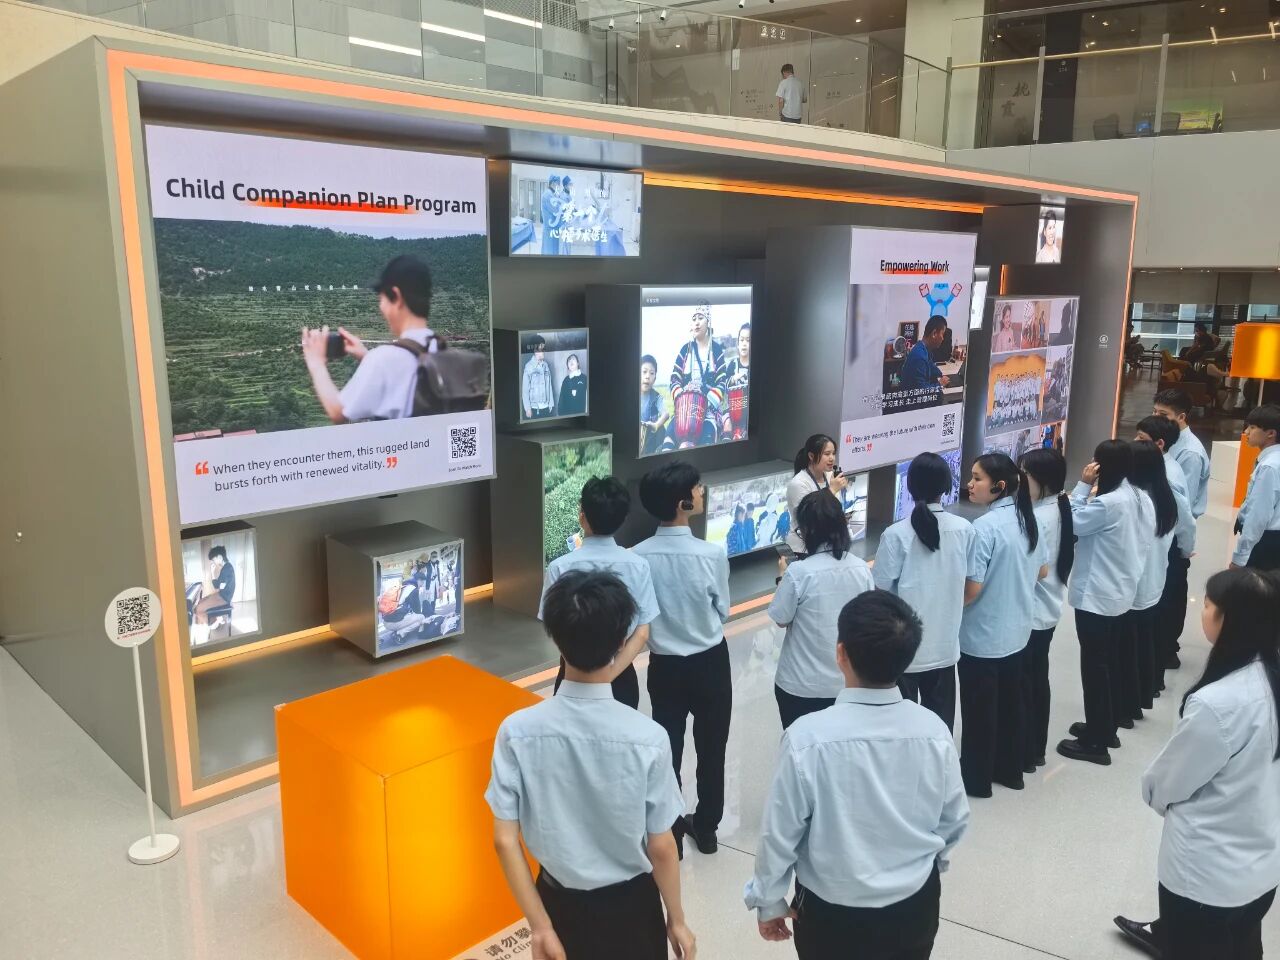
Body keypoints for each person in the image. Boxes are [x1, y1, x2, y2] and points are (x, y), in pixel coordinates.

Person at [746, 590, 969, 958]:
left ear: (841, 653)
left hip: (831, 915)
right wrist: (926, 864)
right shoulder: (934, 732)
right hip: (914, 906)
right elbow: (954, 819)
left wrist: (768, 901)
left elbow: (779, 833)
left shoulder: (806, 739)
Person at [487, 571, 696, 960]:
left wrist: (540, 926)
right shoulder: (648, 737)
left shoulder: (516, 732)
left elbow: (504, 840)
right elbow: (662, 846)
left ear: (555, 638)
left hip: (557, 903)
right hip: (632, 907)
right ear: (620, 643)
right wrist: (677, 918)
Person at [1114, 567, 1280, 960]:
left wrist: (1155, 794)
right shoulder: (1268, 679)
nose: (1201, 611)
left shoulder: (1218, 703)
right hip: (1261, 866)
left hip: (1206, 878)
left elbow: (1166, 783)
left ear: (1229, 621)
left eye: (1208, 605)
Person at [634, 462, 732, 858]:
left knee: (668, 747)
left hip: (665, 666)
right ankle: (706, 829)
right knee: (712, 749)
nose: (702, 491)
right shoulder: (711, 554)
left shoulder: (638, 556)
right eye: (697, 487)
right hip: (711, 662)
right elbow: (723, 610)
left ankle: (670, 832)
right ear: (682, 503)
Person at [958, 453, 1047, 797]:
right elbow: (1042, 571)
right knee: (1011, 705)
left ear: (998, 486)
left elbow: (972, 590)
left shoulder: (984, 528)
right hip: (1018, 631)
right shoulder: (1027, 518)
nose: (970, 484)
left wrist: (946, 608)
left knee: (980, 711)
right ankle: (1010, 771)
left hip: (982, 636)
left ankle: (977, 780)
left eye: (977, 478)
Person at [1057, 440, 1146, 766]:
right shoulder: (1138, 495)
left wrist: (1082, 486)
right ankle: (1105, 728)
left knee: (1094, 668)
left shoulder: (1107, 503)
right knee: (1106, 664)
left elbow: (1071, 522)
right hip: (1120, 592)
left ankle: (1096, 742)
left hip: (1098, 596)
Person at [873, 452, 975, 731]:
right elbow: (971, 587)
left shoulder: (896, 534)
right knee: (939, 729)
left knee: (902, 729)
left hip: (902, 648)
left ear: (910, 485)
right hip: (945, 646)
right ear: (946, 486)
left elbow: (879, 591)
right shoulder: (964, 530)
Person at [539, 477, 660, 709]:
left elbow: (554, 628)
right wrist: (608, 675)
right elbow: (642, 633)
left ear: (582, 516)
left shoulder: (559, 567)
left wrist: (580, 669)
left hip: (570, 676)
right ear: (622, 519)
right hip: (621, 676)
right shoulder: (638, 565)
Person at [769, 490, 876, 730]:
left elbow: (780, 618)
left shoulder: (799, 573)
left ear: (808, 531)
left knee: (800, 746)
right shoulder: (861, 569)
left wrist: (782, 578)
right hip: (847, 684)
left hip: (799, 685)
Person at [301, 255, 440, 423]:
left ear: (396, 297)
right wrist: (366, 357)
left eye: (382, 299)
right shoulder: (443, 351)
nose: (381, 307)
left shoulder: (383, 359)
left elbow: (339, 412)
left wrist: (316, 363)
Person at [1018, 448, 1074, 769]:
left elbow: (1030, 570)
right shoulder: (1058, 507)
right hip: (1047, 610)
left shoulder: (1038, 517)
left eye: (1025, 474)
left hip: (1033, 612)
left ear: (1043, 480)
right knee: (1038, 679)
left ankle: (1025, 751)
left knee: (1027, 684)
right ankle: (1034, 748)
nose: (1020, 480)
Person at [1135, 415, 1197, 700]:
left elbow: (1185, 520)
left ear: (1159, 444)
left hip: (1168, 552)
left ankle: (1151, 681)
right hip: (1164, 550)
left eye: (1141, 439)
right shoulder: (1161, 468)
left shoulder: (1166, 477)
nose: (1135, 444)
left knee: (1156, 619)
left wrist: (1184, 551)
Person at [1154, 388, 1212, 667]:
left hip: (1174, 532)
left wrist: (1185, 545)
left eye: (1163, 414)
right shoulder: (1169, 443)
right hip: (1165, 528)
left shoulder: (1189, 453)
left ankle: (1167, 649)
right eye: (1155, 412)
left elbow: (1182, 507)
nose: (1157, 418)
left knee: (1172, 592)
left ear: (1181, 416)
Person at [1128, 440, 1178, 724]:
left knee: (1128, 648)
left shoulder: (1138, 501)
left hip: (1135, 586)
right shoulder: (1165, 496)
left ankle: (1130, 703)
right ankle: (1142, 696)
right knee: (1144, 642)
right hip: (1154, 581)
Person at [669, 302, 730, 449]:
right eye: (694, 319)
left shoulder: (716, 350)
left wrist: (705, 401)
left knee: (707, 438)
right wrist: (682, 397)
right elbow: (674, 379)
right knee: (669, 436)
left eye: (700, 318)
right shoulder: (685, 349)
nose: (696, 322)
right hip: (684, 409)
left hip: (708, 411)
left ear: (708, 322)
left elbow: (722, 382)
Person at [785, 434, 850, 558]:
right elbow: (809, 517)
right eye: (827, 454)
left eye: (833, 453)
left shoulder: (830, 476)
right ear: (811, 456)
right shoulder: (798, 483)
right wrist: (832, 490)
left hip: (827, 547)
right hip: (803, 549)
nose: (831, 458)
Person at [1233, 403, 1280, 571]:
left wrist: (1240, 557)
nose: (1246, 432)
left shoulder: (1269, 466)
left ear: (1271, 433)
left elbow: (1258, 515)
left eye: (1252, 427)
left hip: (1265, 542)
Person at [899, 316, 951, 400]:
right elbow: (921, 392)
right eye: (942, 334)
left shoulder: (924, 348)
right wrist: (940, 384)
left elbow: (931, 366)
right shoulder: (919, 357)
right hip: (914, 403)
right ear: (934, 333)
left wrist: (941, 375)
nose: (943, 338)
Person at [192, 545, 236, 628]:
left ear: (219, 557)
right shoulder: (226, 567)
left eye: (213, 559)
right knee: (201, 601)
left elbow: (217, 587)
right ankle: (216, 618)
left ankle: (213, 623)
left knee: (197, 609)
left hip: (224, 598)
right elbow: (218, 584)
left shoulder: (227, 569)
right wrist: (213, 573)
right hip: (222, 594)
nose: (213, 562)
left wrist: (212, 573)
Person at [640, 355, 671, 456]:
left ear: (654, 379)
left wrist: (656, 425)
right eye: (644, 372)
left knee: (661, 429)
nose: (647, 376)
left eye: (651, 373)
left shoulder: (656, 397)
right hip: (634, 436)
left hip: (649, 437)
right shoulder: (631, 394)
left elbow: (666, 414)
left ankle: (659, 453)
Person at [724, 323, 751, 442]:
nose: (744, 344)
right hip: (732, 411)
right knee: (726, 427)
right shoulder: (732, 365)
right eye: (742, 340)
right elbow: (724, 387)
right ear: (738, 343)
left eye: (748, 340)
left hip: (748, 413)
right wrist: (734, 379)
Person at [522, 336, 556, 420]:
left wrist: (550, 403)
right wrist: (527, 408)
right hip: (534, 408)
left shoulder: (546, 365)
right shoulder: (529, 366)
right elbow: (525, 390)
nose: (544, 350)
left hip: (546, 407)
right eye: (541, 347)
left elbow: (549, 386)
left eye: (544, 347)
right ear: (535, 349)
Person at [540, 174, 565, 255]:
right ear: (553, 183)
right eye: (558, 183)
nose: (559, 186)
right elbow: (556, 210)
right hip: (549, 229)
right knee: (549, 253)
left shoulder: (552, 194)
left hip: (554, 229)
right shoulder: (548, 195)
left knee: (554, 253)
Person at [557, 352, 587, 416]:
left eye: (573, 359)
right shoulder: (566, 380)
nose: (571, 361)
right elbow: (561, 400)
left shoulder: (585, 378)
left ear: (578, 363)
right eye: (569, 361)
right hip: (568, 415)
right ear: (568, 366)